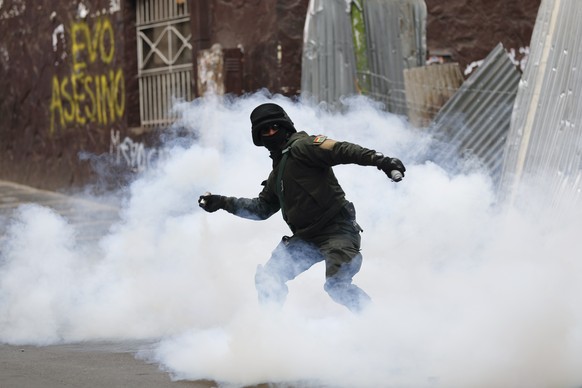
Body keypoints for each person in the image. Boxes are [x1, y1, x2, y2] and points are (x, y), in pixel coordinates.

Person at [198, 102, 405, 313]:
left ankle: (377, 325)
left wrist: (381, 161)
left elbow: (341, 150)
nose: (271, 133)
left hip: (337, 230)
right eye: (265, 131)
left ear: (285, 127)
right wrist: (222, 202)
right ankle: (269, 331)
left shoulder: (303, 147)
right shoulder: (276, 175)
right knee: (269, 278)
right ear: (259, 138)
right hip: (306, 238)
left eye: (274, 128)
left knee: (337, 286)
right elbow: (261, 209)